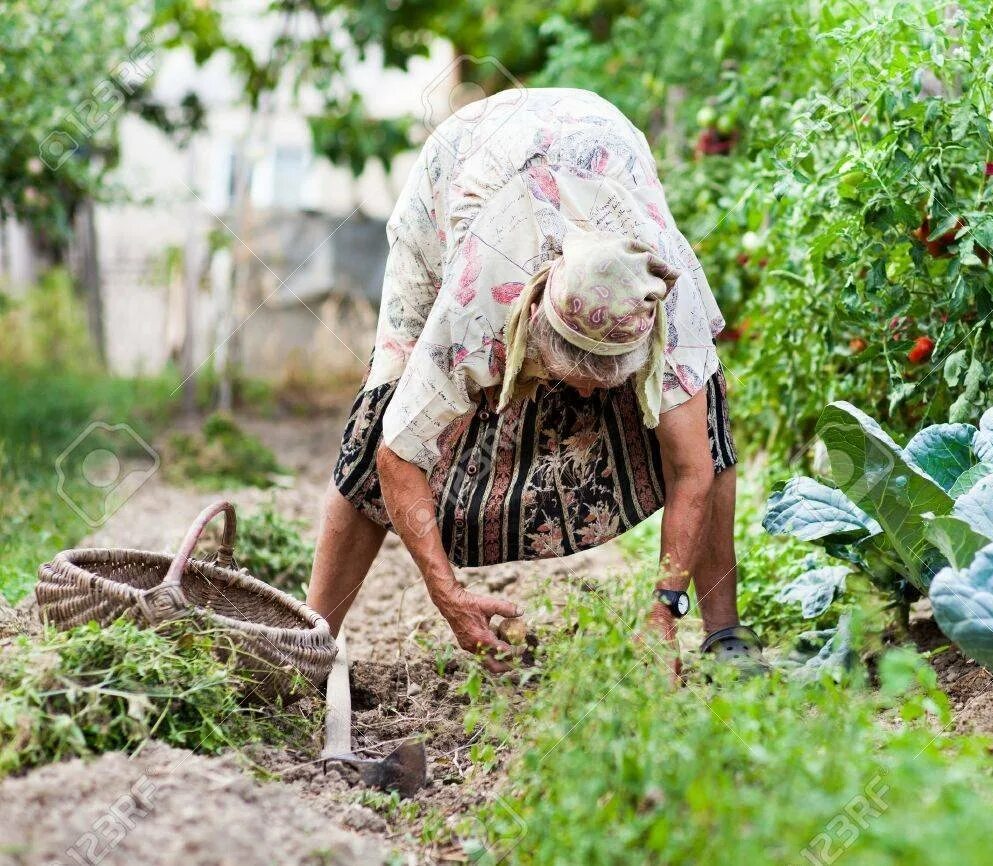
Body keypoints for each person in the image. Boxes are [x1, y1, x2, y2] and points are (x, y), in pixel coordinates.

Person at [306, 87, 761, 673]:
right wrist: (448, 595)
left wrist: (662, 611)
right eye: (578, 378)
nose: (593, 397)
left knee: (706, 429)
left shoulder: (671, 302)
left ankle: (724, 633)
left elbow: (692, 468)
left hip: (600, 143)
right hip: (461, 168)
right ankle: (312, 641)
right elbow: (397, 454)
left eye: (608, 382)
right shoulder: (475, 301)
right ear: (532, 327)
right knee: (380, 417)